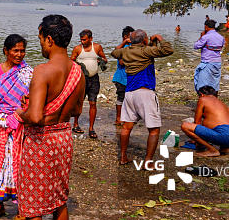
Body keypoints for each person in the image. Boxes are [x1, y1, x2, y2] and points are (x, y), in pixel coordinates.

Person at [0, 15, 84, 220]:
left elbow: (33, 117)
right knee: (58, 200)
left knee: (31, 208)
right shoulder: (77, 71)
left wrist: (22, 111)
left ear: (49, 39)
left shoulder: (43, 71)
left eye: (41, 38)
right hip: (63, 139)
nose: (40, 45)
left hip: (41, 142)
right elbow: (76, 110)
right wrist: (50, 111)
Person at [0, 34, 33, 220]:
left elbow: (31, 100)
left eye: (22, 51)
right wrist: (0, 119)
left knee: (18, 166)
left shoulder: (27, 73)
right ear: (6, 51)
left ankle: (21, 210)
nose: (19, 54)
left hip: (20, 124)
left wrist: (18, 115)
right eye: (15, 51)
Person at [111, 30, 173, 165]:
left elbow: (114, 52)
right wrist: (159, 37)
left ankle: (123, 157)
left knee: (127, 127)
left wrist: (125, 43)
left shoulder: (126, 52)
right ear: (144, 40)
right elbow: (168, 50)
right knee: (154, 129)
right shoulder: (146, 51)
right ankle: (148, 161)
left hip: (129, 93)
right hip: (145, 93)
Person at [180, 86, 229, 156]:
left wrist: (197, 141)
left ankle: (212, 150)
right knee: (219, 127)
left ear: (201, 94)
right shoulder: (222, 104)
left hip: (225, 135)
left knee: (185, 126)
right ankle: (225, 148)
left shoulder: (203, 99)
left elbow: (197, 123)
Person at [71, 29, 107, 139]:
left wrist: (101, 61)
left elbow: (105, 59)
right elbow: (71, 61)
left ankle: (91, 128)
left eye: (85, 40)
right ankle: (75, 125)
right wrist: (78, 65)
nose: (82, 42)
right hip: (81, 79)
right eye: (81, 40)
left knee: (93, 103)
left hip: (94, 79)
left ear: (91, 39)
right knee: (79, 102)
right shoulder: (77, 49)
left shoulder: (97, 47)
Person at [193, 19, 225, 93]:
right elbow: (221, 46)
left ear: (206, 27)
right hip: (217, 62)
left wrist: (201, 36)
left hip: (207, 62)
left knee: (202, 84)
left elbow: (196, 46)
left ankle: (204, 100)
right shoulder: (221, 37)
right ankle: (214, 99)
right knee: (214, 82)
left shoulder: (206, 37)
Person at [112, 26, 134, 126]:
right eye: (131, 36)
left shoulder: (131, 47)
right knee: (121, 98)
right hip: (121, 78)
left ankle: (126, 117)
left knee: (129, 98)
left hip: (129, 78)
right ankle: (118, 118)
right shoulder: (123, 48)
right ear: (126, 37)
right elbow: (121, 62)